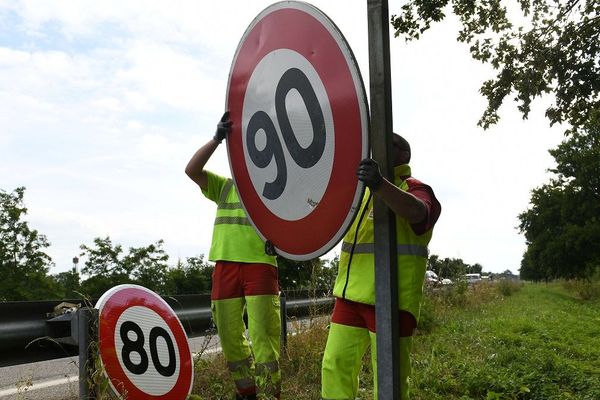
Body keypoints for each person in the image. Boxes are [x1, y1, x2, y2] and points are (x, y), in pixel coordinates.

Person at [321, 134, 441, 399]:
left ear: (401, 154)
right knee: (334, 366)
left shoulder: (416, 188)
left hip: (392, 301)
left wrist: (379, 184)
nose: (373, 150)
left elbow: (418, 213)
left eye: (383, 145)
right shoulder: (361, 194)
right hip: (350, 296)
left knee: (390, 380)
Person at [185, 112, 281, 400]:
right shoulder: (225, 186)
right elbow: (192, 170)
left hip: (261, 266)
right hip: (225, 266)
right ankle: (247, 393)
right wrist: (216, 139)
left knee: (264, 339)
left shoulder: (274, 190)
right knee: (229, 338)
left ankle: (268, 395)